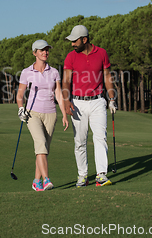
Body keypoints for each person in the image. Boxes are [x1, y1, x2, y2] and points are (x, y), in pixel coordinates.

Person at [61, 25, 117, 187]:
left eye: (75, 41)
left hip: (98, 101)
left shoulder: (102, 53)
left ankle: (101, 175)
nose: (72, 44)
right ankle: (82, 176)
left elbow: (107, 76)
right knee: (80, 141)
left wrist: (111, 98)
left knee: (100, 138)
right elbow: (66, 80)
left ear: (84, 40)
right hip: (77, 103)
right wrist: (66, 100)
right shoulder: (71, 57)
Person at [16, 39, 69, 192]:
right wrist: (21, 109)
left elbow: (58, 93)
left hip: (51, 113)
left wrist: (64, 114)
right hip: (33, 114)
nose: (45, 52)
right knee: (40, 145)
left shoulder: (54, 72)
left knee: (43, 149)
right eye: (42, 50)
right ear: (34, 53)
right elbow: (20, 95)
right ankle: (46, 180)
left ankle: (36, 181)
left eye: (47, 50)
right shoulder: (27, 72)